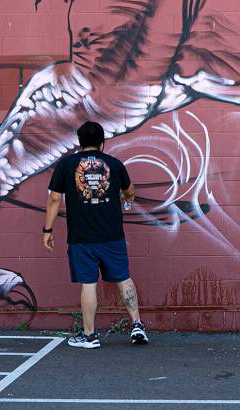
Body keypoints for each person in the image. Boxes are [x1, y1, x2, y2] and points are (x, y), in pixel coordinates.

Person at [43, 121, 149, 348]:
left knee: (88, 283)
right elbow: (129, 190)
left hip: (82, 237)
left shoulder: (66, 165)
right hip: (112, 234)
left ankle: (90, 336)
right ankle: (137, 325)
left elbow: (53, 198)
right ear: (102, 143)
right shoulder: (114, 164)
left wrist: (48, 229)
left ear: (79, 142)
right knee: (123, 277)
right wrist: (128, 199)